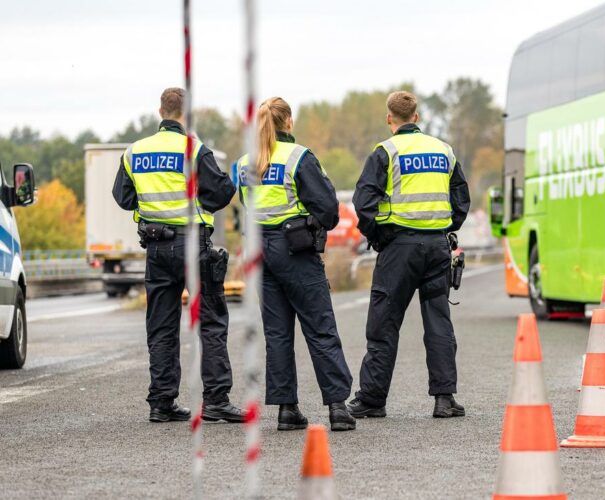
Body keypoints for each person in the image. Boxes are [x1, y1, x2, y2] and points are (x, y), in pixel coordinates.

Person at [113, 87, 245, 423]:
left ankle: (161, 402)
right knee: (211, 321)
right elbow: (222, 193)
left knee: (161, 325)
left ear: (160, 112)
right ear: (186, 115)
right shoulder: (194, 150)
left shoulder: (134, 151)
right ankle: (216, 400)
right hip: (193, 246)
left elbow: (123, 197)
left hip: (156, 248)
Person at [348, 91, 470, 419]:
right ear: (417, 116)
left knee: (384, 324)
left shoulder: (385, 151)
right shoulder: (443, 150)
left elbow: (363, 204)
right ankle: (444, 399)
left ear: (390, 118)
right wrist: (445, 226)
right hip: (436, 247)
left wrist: (379, 236)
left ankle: (373, 399)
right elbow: (460, 198)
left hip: (399, 249)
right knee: (438, 322)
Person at [236, 97, 355, 432]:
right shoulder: (298, 157)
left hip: (260, 251)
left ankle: (287, 409)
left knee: (277, 332)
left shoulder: (244, 163)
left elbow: (247, 206)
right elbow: (329, 209)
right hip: (295, 250)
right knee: (319, 327)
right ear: (288, 121)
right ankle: (337, 407)